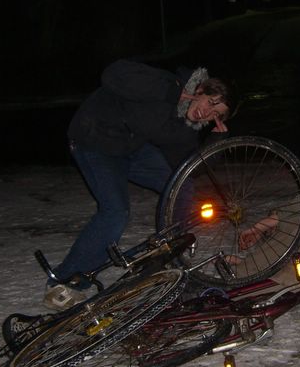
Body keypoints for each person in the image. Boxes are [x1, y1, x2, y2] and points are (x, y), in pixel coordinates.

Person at [45, 59, 236, 309]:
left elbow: (188, 169)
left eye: (216, 114)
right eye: (211, 103)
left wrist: (215, 143)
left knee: (182, 187)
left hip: (131, 147)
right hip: (94, 140)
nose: (208, 113)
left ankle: (170, 261)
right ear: (201, 90)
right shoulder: (168, 82)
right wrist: (170, 92)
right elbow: (113, 74)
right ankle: (65, 282)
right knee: (115, 212)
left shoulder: (184, 127)